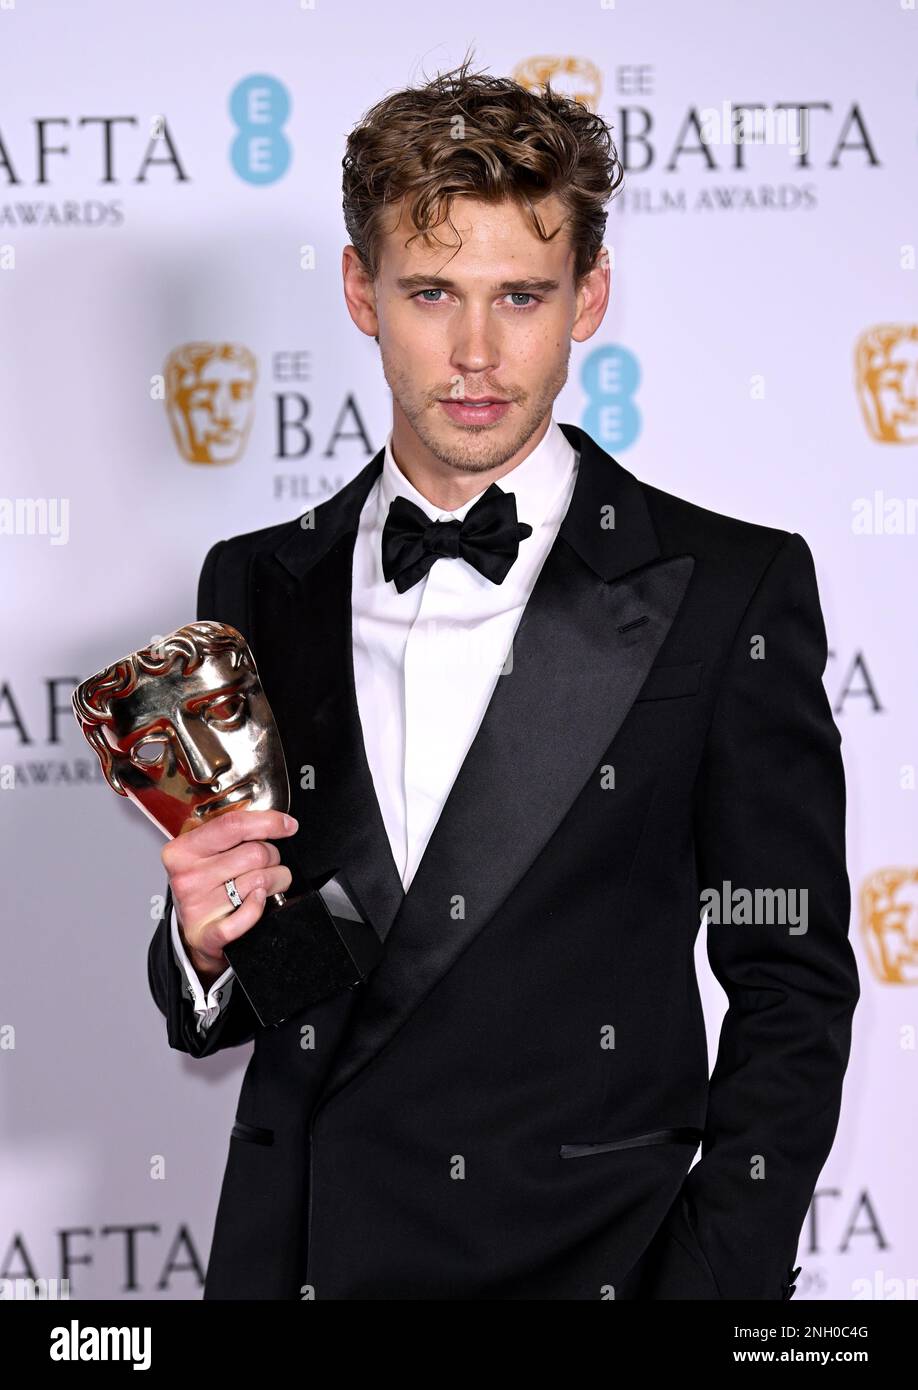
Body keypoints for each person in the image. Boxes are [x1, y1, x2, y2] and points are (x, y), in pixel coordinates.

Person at [148, 57, 860, 1300]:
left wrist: (711, 1285)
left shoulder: (731, 587)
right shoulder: (256, 581)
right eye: (433, 292)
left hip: (596, 1262)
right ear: (363, 293)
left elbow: (789, 978)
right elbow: (335, 949)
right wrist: (208, 952)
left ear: (588, 298)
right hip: (306, 1255)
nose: (476, 353)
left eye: (520, 296)